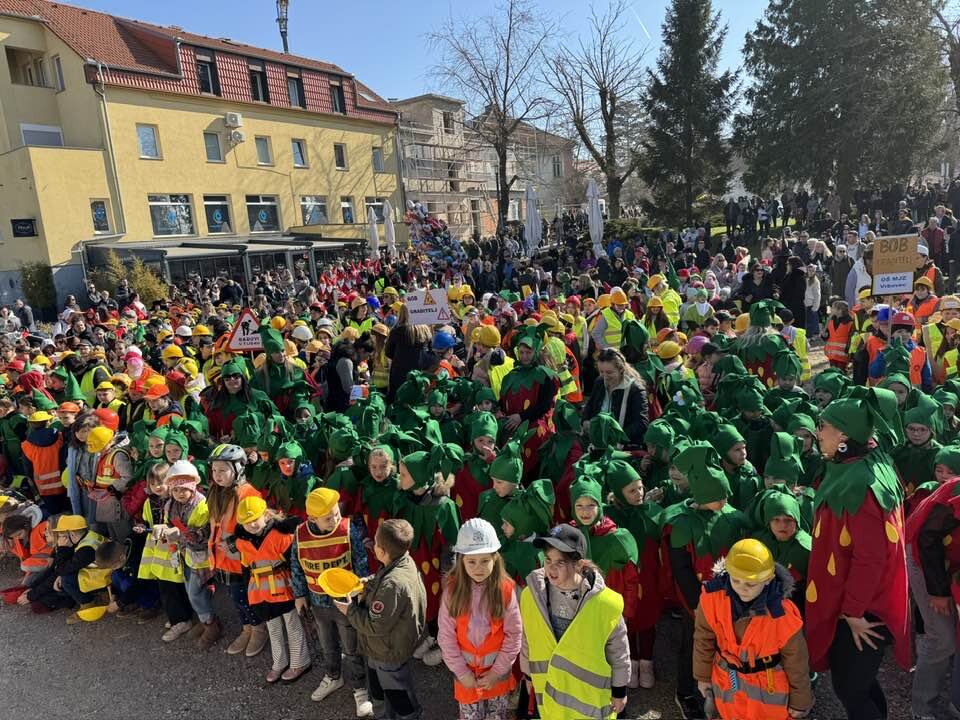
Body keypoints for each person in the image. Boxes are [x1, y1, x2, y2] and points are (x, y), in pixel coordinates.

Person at [807, 388, 911, 719]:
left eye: (823, 426)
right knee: (859, 686)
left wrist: (852, 612)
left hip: (860, 611)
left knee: (850, 689)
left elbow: (871, 557)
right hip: (857, 604)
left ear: (844, 435)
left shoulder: (861, 485)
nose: (817, 432)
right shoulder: (865, 463)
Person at [519, 524, 630, 719]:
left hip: (589, 704)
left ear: (578, 564)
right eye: (548, 560)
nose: (551, 568)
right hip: (550, 698)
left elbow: (618, 650)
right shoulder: (533, 595)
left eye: (560, 563)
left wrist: (619, 690)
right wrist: (528, 675)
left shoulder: (604, 603)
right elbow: (529, 638)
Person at [693, 538, 812, 719]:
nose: (742, 588)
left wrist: (799, 699)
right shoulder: (711, 599)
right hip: (727, 683)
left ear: (768, 580)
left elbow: (796, 660)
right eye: (736, 580)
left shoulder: (781, 614)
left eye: (751, 584)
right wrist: (702, 676)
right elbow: (703, 639)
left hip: (768, 693)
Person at [291, 488, 373, 717]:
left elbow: (360, 559)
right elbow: (296, 566)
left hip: (344, 601)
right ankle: (333, 676)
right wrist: (299, 595)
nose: (336, 519)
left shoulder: (348, 528)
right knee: (327, 644)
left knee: (351, 647)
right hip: (318, 602)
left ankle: (359, 687)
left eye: (337, 513)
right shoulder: (300, 534)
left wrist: (362, 589)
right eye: (329, 518)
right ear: (312, 518)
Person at [338, 518, 427, 720]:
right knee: (379, 689)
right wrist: (368, 583)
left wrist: (348, 610)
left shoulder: (392, 585)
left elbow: (374, 625)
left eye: (376, 543)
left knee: (398, 694)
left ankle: (410, 716)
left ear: (383, 551)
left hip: (386, 650)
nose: (373, 546)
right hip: (386, 647)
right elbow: (383, 579)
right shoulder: (402, 560)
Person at [437, 518, 522, 720]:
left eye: (485, 561)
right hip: (466, 678)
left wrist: (496, 673)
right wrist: (462, 673)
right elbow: (446, 636)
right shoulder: (452, 591)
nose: (478, 568)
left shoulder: (506, 590)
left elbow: (514, 634)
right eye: (471, 562)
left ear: (495, 559)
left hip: (497, 678)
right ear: (461, 560)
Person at [234, 495, 311, 684]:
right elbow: (246, 568)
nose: (251, 525)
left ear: (266, 515)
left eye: (255, 519)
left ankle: (300, 661)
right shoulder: (243, 542)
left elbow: (296, 565)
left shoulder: (282, 537)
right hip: (261, 592)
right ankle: (279, 662)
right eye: (246, 522)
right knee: (273, 629)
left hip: (284, 588)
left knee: (292, 625)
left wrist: (301, 592)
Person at [205, 443, 268, 658]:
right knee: (236, 598)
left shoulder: (247, 494)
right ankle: (247, 628)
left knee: (246, 597)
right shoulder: (216, 492)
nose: (217, 475)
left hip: (242, 560)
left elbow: (257, 529)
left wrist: (233, 543)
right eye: (214, 470)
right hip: (224, 559)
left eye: (223, 470)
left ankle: (258, 628)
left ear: (239, 468)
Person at [582, 348, 649, 447]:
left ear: (621, 369)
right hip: (598, 444)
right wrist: (585, 421)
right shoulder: (599, 382)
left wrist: (615, 436)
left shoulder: (635, 389)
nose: (605, 376)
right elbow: (590, 405)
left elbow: (641, 423)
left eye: (609, 372)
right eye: (601, 372)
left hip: (623, 447)